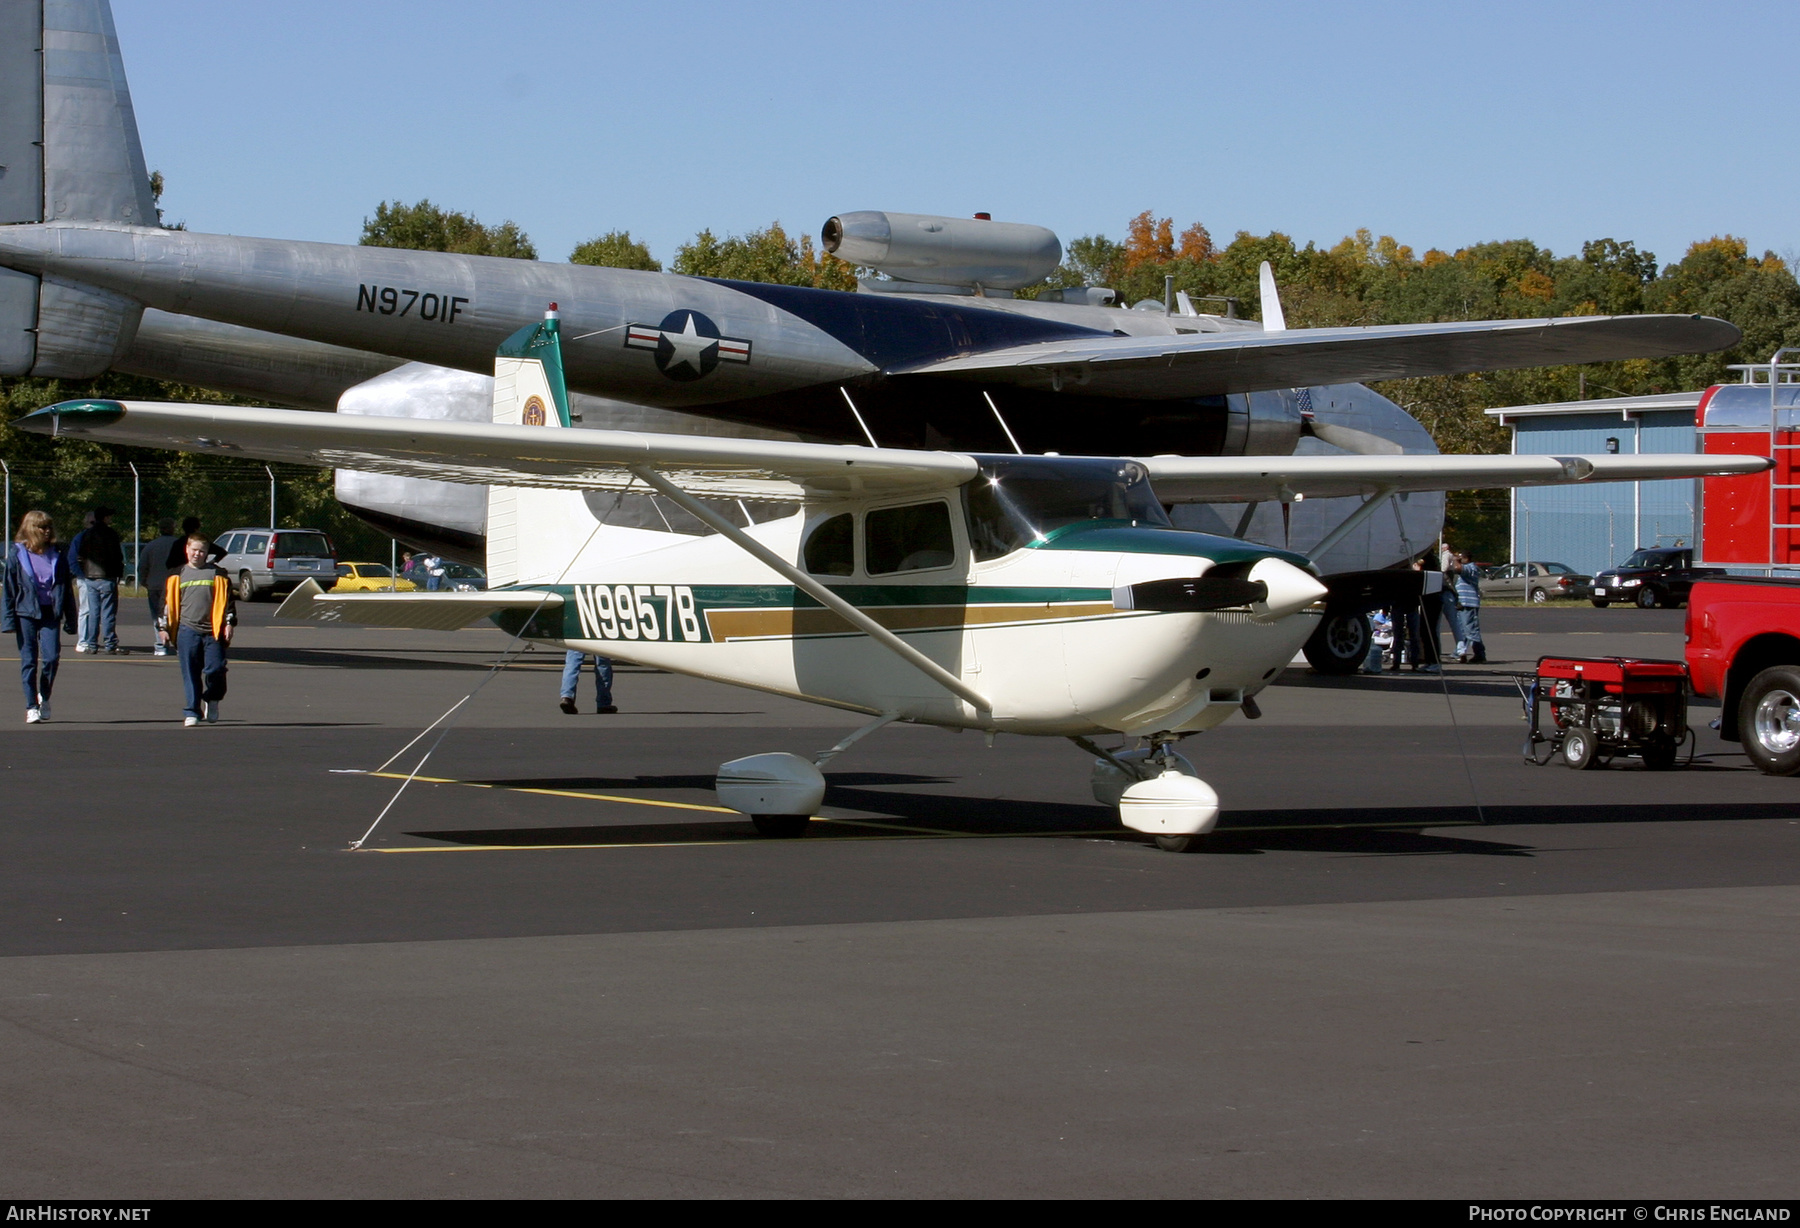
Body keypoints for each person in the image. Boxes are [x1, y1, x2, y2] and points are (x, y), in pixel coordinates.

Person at [1, 510, 77, 723]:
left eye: (48, 527)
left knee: (52, 658)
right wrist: (7, 620)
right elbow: (8, 590)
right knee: (29, 660)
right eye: (41, 527)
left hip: (50, 613)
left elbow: (66, 590)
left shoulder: (58, 555)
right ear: (30, 529)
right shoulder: (17, 555)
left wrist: (71, 619)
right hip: (25, 612)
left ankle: (44, 694)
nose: (46, 531)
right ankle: (31, 705)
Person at [158, 535, 237, 726]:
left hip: (213, 631)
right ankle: (192, 711)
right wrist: (164, 628)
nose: (197, 554)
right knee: (191, 672)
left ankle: (212, 698)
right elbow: (166, 604)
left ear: (207, 553)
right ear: (187, 549)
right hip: (187, 630)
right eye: (194, 550)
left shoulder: (218, 574)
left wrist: (228, 623)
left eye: (201, 551)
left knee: (216, 668)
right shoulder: (176, 574)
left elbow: (228, 603)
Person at [69, 506, 125, 654]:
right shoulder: (111, 534)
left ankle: (91, 643)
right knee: (108, 612)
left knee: (93, 612)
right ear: (105, 518)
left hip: (90, 577)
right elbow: (117, 556)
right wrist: (118, 573)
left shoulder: (87, 534)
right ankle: (110, 643)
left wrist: (84, 572)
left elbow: (80, 556)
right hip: (107, 576)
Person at [140, 517, 180, 655]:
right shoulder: (179, 544)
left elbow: (143, 566)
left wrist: (144, 581)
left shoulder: (151, 546)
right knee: (176, 614)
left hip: (155, 586)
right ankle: (178, 643)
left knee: (157, 615)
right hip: (174, 586)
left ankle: (161, 645)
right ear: (173, 528)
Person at [1452, 553, 1487, 664]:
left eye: (1461, 558)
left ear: (1466, 558)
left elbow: (1458, 569)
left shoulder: (1471, 567)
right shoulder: (1468, 568)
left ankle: (1479, 653)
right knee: (1462, 629)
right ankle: (1459, 652)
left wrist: (1455, 560)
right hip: (1462, 603)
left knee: (1471, 629)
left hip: (1469, 603)